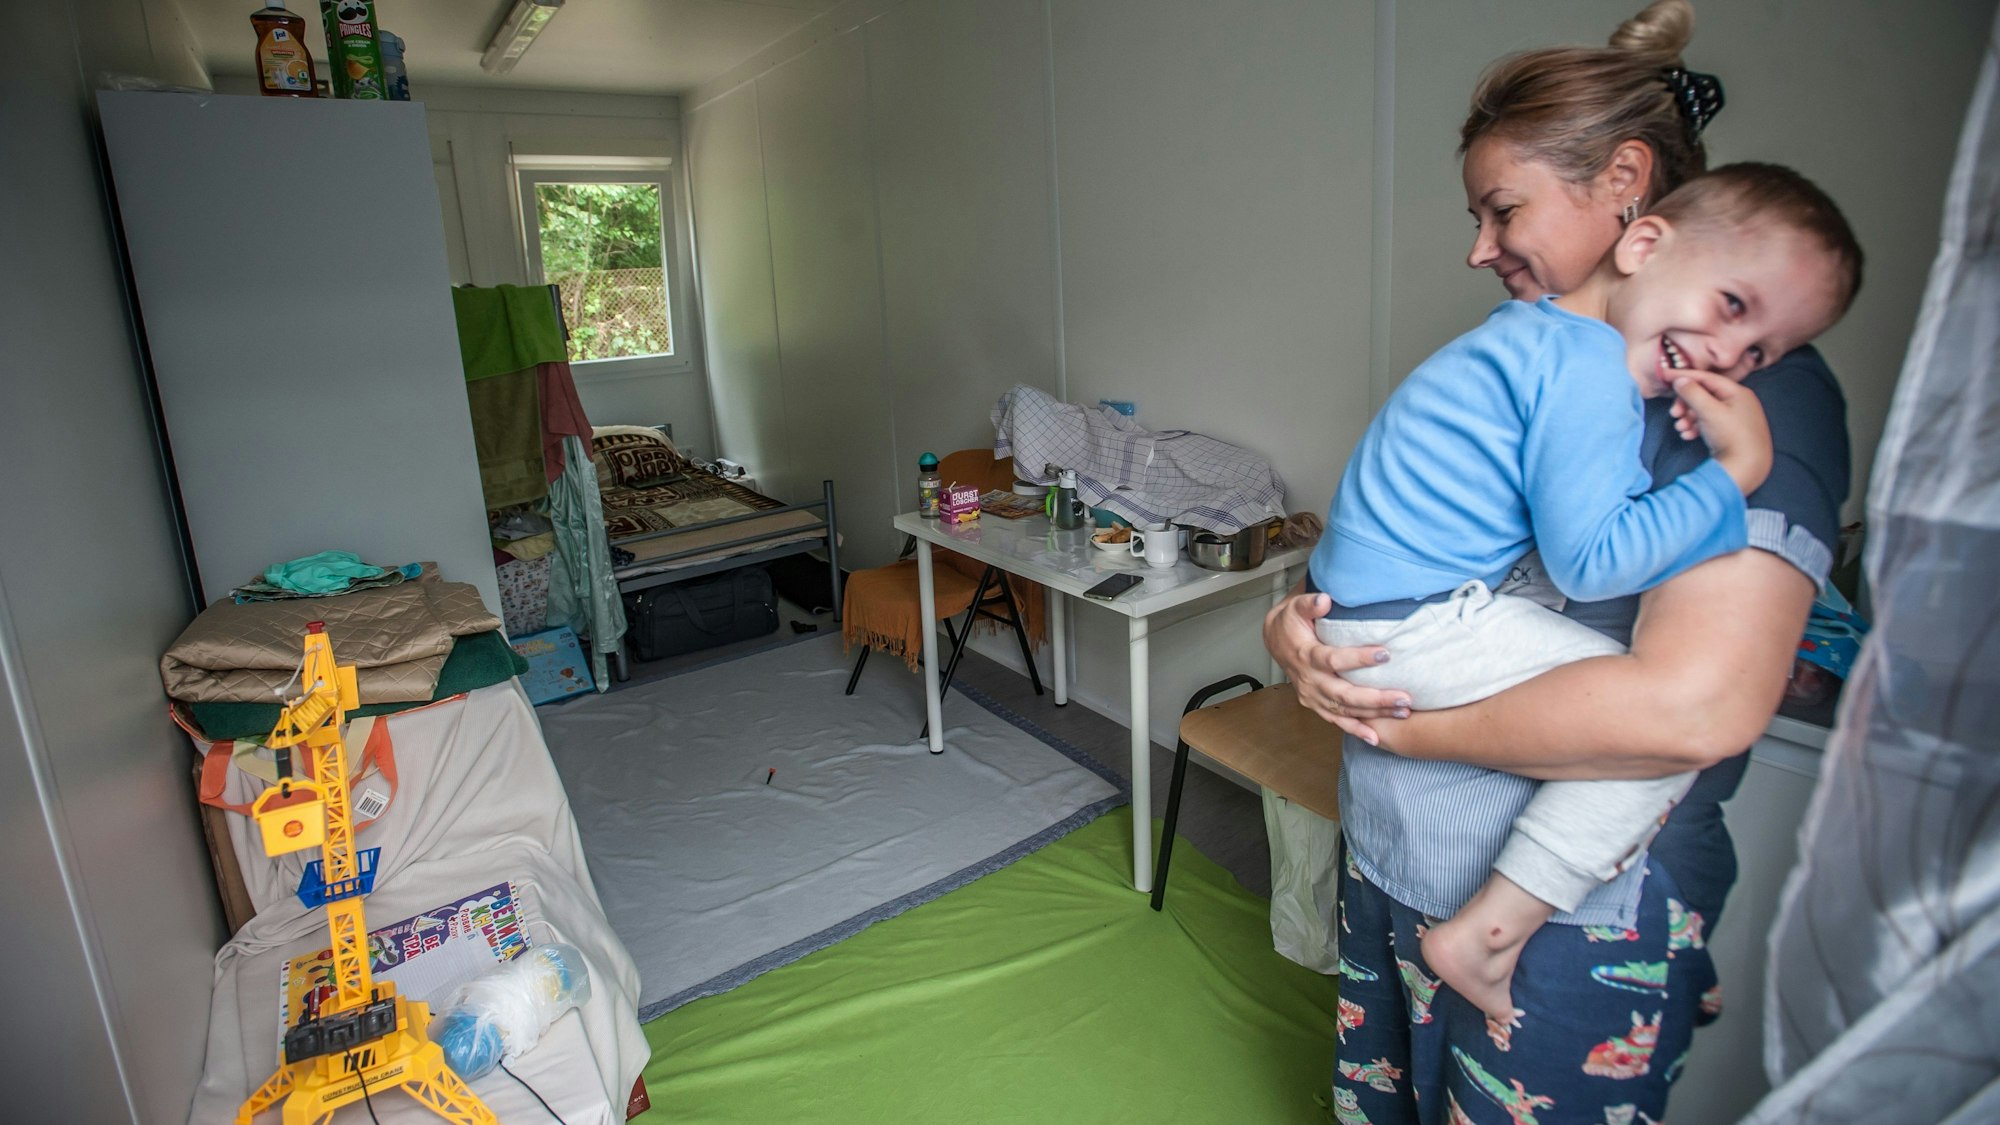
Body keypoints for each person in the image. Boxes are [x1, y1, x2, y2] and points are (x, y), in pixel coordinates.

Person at [1264, 2, 1854, 1121]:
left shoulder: (1750, 404)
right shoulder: (1553, 357)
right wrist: (1292, 631)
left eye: (1501, 211)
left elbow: (1685, 712)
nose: (1479, 248)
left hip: (1566, 924)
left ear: (1628, 190)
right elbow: (1415, 558)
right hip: (1397, 859)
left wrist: (1396, 721)